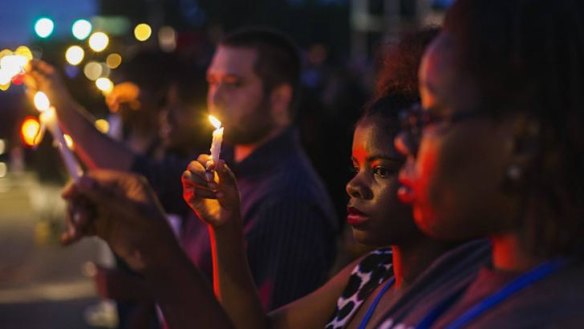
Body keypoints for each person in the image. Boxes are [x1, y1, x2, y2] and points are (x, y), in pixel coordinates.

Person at [59, 28, 489, 329]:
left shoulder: (466, 294)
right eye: (355, 167)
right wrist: (224, 231)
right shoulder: (372, 274)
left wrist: (155, 254)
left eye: (381, 170)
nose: (354, 186)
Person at [27, 27, 338, 310]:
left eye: (233, 83)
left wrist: (150, 277)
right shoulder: (227, 163)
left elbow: (260, 319)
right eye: (212, 81)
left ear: (280, 99)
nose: (216, 96)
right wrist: (63, 107)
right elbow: (143, 175)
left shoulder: (288, 200)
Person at [378, 0, 584, 327]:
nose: (404, 141)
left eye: (431, 116)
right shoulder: (463, 266)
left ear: (523, 142)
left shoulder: (551, 315)